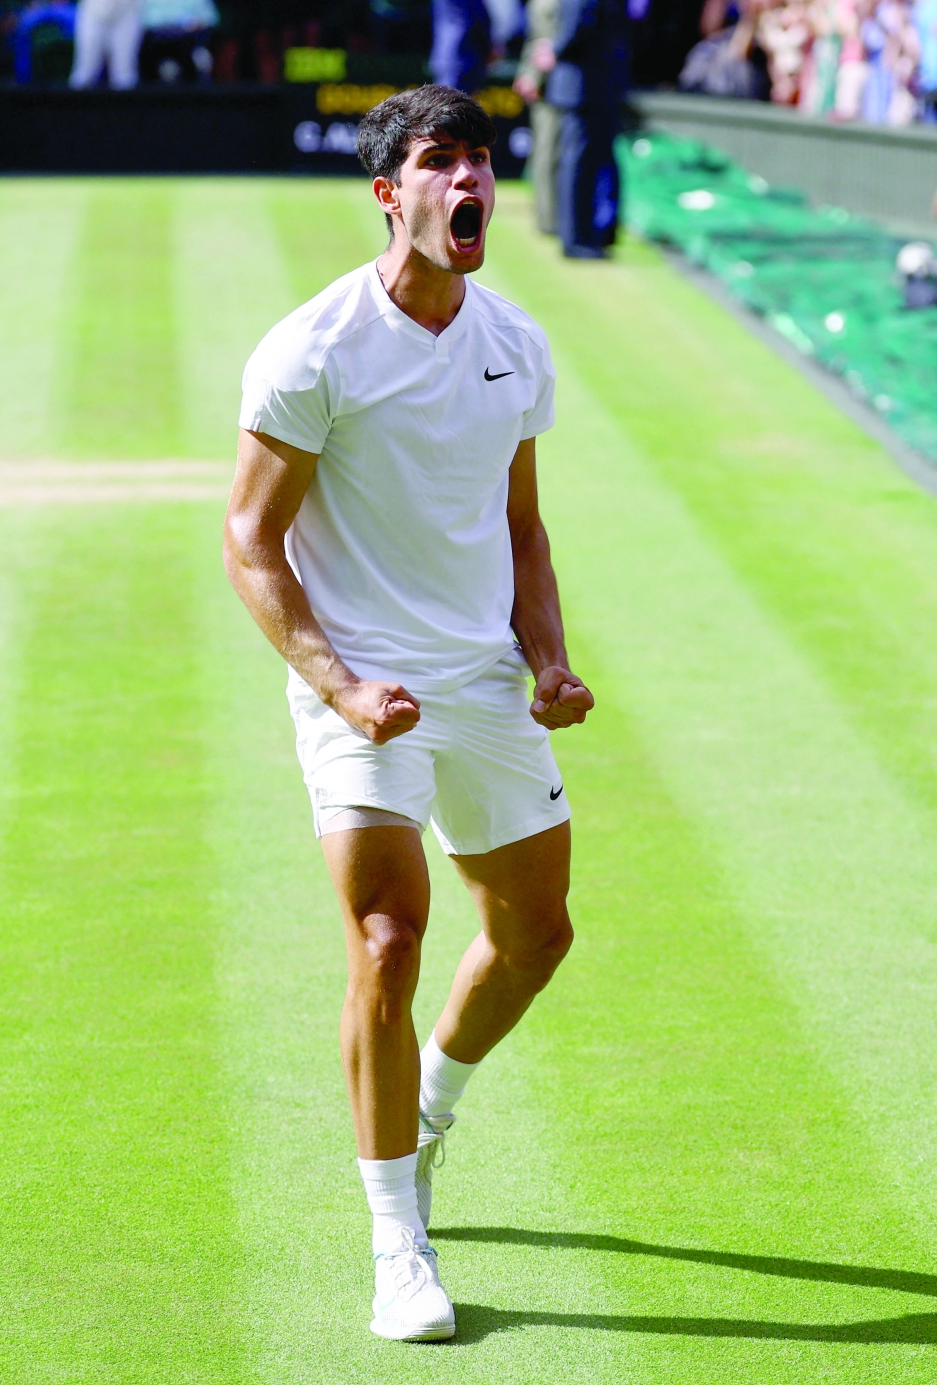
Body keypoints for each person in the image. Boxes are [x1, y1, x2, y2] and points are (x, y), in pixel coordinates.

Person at [224, 83, 594, 1342]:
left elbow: (521, 522)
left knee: (536, 933)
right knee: (387, 936)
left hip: (485, 683)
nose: (467, 180)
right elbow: (250, 539)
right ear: (391, 192)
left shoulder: (515, 338)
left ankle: (427, 1107)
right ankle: (398, 1240)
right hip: (362, 683)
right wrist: (338, 682)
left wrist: (546, 659)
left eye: (480, 160)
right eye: (440, 162)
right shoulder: (312, 348)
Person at [534, 0, 630, 257]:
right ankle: (575, 240)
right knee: (577, 165)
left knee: (582, 164)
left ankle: (582, 236)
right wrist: (555, 49)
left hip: (587, 88)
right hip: (583, 89)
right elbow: (577, 26)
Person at [515, 0, 563, 234]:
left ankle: (552, 219)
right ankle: (549, 220)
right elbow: (539, 41)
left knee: (552, 154)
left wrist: (529, 74)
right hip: (550, 86)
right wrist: (529, 74)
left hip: (559, 83)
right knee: (547, 153)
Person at [69, 0, 143, 88]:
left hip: (127, 12)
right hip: (93, 11)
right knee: (84, 74)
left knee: (125, 76)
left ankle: (125, 101)